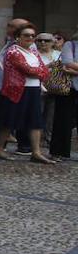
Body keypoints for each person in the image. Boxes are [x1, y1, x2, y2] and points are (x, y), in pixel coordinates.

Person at [0, 23, 53, 164]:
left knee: (35, 120)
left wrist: (39, 72)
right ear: (18, 37)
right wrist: (39, 72)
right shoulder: (13, 51)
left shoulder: (34, 52)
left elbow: (44, 70)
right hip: (17, 89)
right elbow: (27, 69)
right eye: (26, 35)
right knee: (9, 120)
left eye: (33, 36)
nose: (30, 38)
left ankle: (36, 152)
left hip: (33, 89)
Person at [51, 27, 78, 162]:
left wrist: (75, 69)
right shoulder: (70, 45)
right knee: (63, 120)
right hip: (69, 88)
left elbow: (72, 66)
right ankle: (59, 151)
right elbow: (67, 62)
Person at [38, 33, 60, 146]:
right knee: (38, 113)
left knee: (51, 115)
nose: (43, 42)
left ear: (52, 42)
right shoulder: (34, 54)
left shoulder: (58, 54)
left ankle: (48, 137)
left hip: (54, 88)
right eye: (40, 40)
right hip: (38, 88)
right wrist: (48, 66)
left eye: (46, 40)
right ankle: (37, 137)